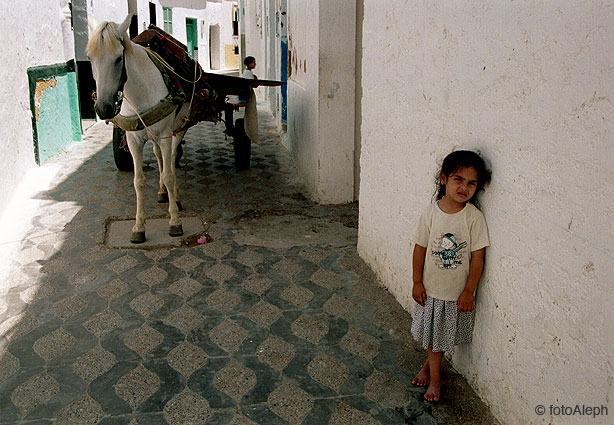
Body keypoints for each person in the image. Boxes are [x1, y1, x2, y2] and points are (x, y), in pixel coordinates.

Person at [410, 150, 492, 402]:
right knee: (434, 338)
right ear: (444, 178)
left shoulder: (473, 218)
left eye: (472, 183)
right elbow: (420, 248)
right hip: (431, 290)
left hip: (455, 294)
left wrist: (469, 290)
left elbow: (478, 257)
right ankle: (436, 377)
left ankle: (431, 370)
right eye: (458, 179)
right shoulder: (431, 213)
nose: (464, 187)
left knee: (439, 338)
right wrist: (416, 281)